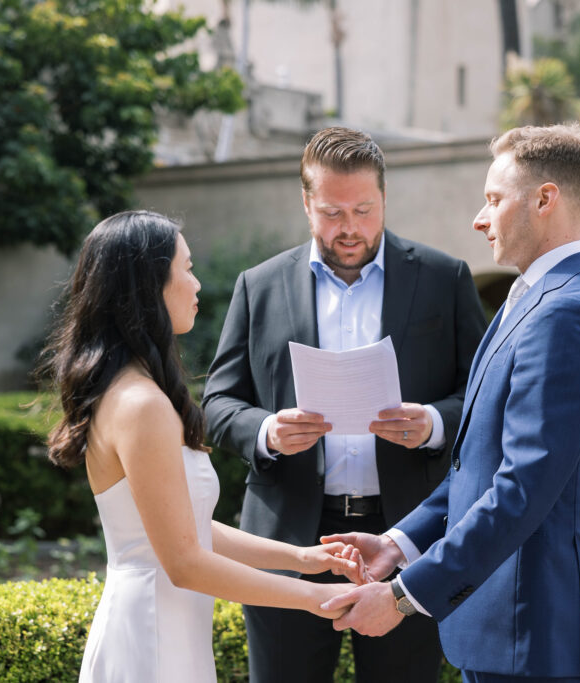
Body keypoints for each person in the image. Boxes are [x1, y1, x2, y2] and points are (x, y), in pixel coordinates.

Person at [321, 123, 580, 683]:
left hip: (529, 630)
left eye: (493, 199)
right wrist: (400, 542)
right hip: (500, 629)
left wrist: (400, 598)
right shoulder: (531, 299)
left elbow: (521, 490)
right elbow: (478, 463)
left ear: (545, 200)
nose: (479, 218)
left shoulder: (568, 314)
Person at [202, 126, 487, 683]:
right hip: (286, 539)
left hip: (405, 536)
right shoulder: (258, 286)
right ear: (307, 204)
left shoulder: (443, 278)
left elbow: (481, 399)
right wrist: (266, 432)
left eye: (364, 209)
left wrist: (432, 423)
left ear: (384, 198)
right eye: (333, 212)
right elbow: (217, 402)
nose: (350, 227)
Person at [41, 210, 365, 683]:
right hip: (151, 636)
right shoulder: (140, 404)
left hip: (167, 625)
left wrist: (300, 559)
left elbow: (187, 530)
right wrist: (315, 598)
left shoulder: (135, 391)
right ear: (149, 285)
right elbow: (185, 562)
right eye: (186, 268)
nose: (197, 285)